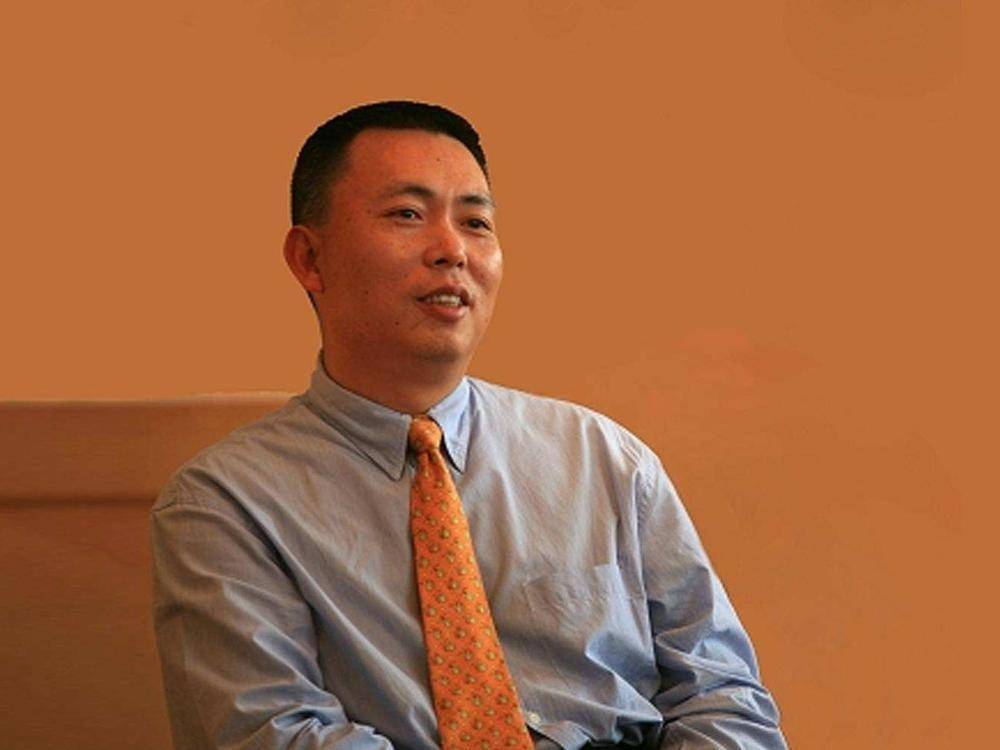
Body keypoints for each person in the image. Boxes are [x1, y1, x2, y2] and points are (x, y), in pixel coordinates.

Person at [151, 100, 788, 750]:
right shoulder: (225, 503)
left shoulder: (605, 460)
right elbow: (274, 734)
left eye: (476, 222)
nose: (452, 250)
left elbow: (724, 698)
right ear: (310, 259)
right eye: (407, 214)